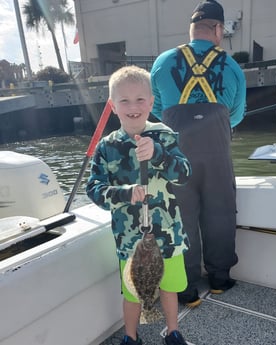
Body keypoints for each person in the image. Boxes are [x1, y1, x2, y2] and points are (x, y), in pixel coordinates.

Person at [86, 65, 192, 345]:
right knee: (132, 291)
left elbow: (184, 175)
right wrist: (123, 193)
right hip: (130, 239)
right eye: (124, 100)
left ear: (152, 102)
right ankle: (131, 337)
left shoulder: (165, 136)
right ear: (112, 106)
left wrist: (158, 155)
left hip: (168, 236)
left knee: (169, 288)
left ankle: (173, 331)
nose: (133, 107)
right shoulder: (106, 147)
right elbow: (94, 190)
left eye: (140, 99)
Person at [150, 0, 246, 307]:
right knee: (219, 212)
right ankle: (218, 279)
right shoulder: (231, 67)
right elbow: (236, 115)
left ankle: (186, 288)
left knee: (181, 216)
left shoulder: (163, 62)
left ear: (192, 29)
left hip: (175, 152)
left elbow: (157, 111)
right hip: (217, 152)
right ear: (218, 29)